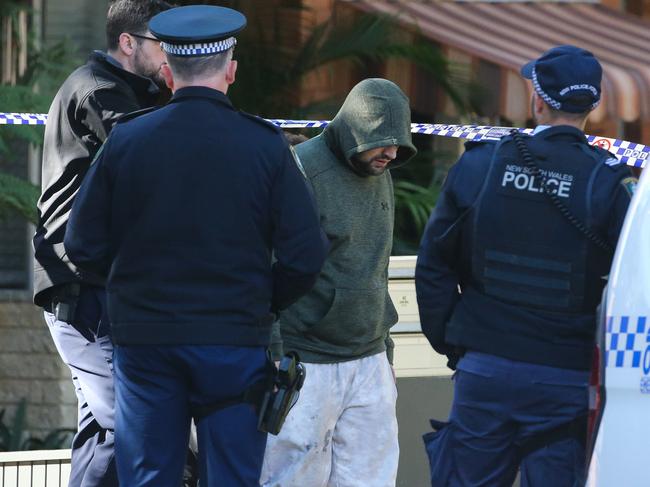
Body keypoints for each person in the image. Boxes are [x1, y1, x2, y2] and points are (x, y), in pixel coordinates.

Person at [63, 5, 327, 487]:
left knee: (147, 478)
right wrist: (263, 300)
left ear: (167, 71)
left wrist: (130, 289)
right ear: (231, 70)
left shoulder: (127, 141)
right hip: (233, 339)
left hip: (146, 340)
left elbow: (80, 243)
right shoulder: (265, 145)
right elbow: (306, 255)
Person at [415, 45, 638, 487]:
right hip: (566, 382)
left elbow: (434, 265)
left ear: (537, 101)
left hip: (486, 372)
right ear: (592, 106)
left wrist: (454, 344)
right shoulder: (610, 183)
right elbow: (631, 284)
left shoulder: (480, 165)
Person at [32, 1, 171, 485]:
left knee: (103, 433)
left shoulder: (129, 91)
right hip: (83, 290)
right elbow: (152, 160)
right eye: (162, 44)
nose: (171, 55)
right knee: (137, 425)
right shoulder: (99, 92)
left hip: (90, 286)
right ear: (128, 43)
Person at [261, 78, 417, 487]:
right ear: (354, 130)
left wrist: (385, 351)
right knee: (292, 478)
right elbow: (271, 265)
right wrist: (274, 349)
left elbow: (375, 265)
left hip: (369, 362)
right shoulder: (301, 170)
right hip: (305, 360)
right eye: (382, 141)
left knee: (371, 479)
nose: (392, 152)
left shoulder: (379, 169)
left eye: (399, 142)